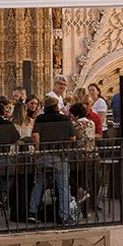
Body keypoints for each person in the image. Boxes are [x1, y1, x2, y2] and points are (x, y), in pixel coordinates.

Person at [27, 94, 78, 225]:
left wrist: (38, 151)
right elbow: (72, 138)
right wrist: (66, 150)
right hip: (59, 156)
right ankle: (64, 217)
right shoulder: (65, 119)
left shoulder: (40, 119)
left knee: (39, 184)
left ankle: (32, 213)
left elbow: (35, 135)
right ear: (56, 107)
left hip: (44, 156)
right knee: (63, 187)